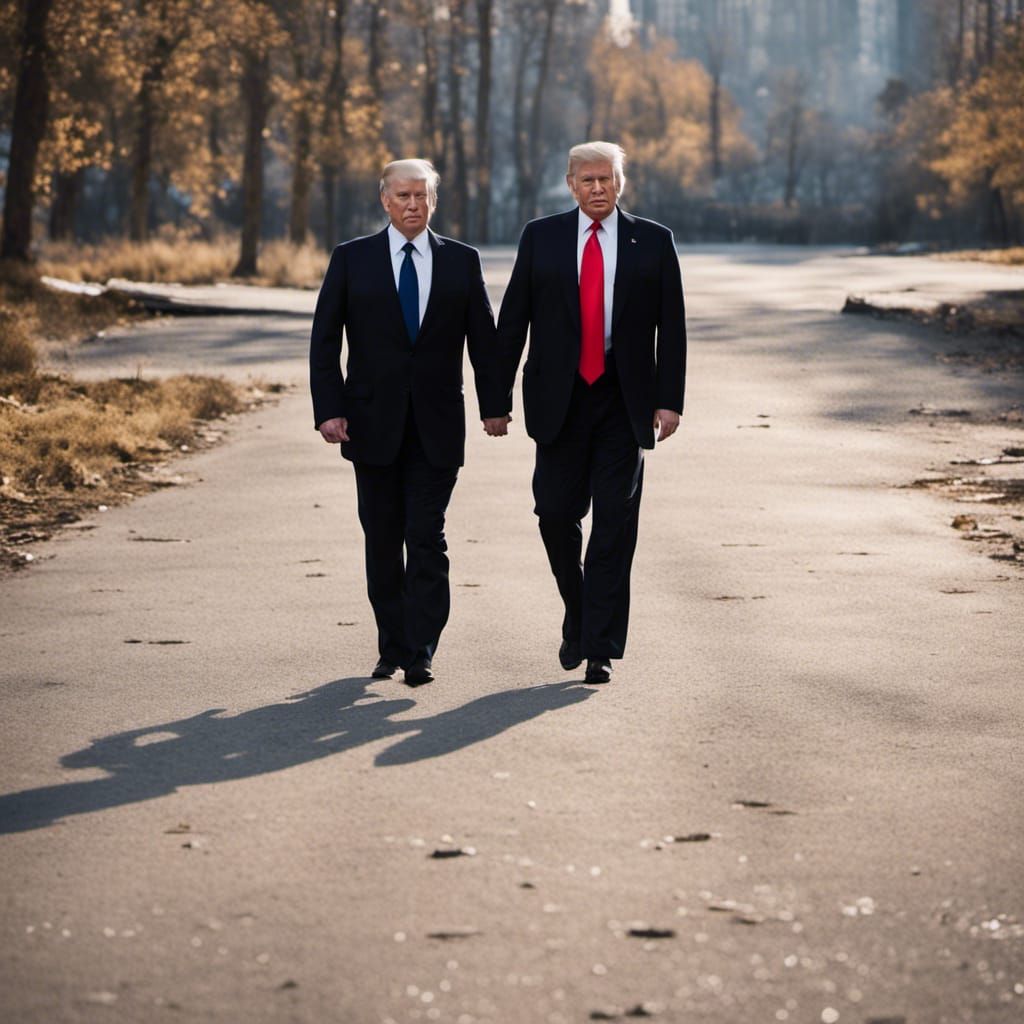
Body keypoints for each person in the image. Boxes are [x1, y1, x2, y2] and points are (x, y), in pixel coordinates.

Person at [493, 140, 686, 685]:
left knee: (613, 527)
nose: (598, 188)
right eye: (587, 180)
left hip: (625, 401)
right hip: (560, 400)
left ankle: (599, 646)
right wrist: (495, 401)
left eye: (607, 179)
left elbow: (672, 327)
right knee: (554, 514)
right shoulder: (541, 237)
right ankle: (577, 611)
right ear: (571, 184)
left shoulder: (653, 241)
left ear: (620, 183)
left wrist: (669, 399)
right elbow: (513, 322)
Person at [310, 159, 508, 686]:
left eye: (422, 195)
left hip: (437, 426)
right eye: (403, 196)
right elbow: (325, 341)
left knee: (425, 535)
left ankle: (421, 649)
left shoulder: (461, 261)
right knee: (382, 539)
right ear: (385, 200)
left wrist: (494, 406)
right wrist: (329, 408)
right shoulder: (351, 259)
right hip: (371, 424)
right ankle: (391, 646)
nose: (413, 205)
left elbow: (483, 340)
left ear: (434, 201)